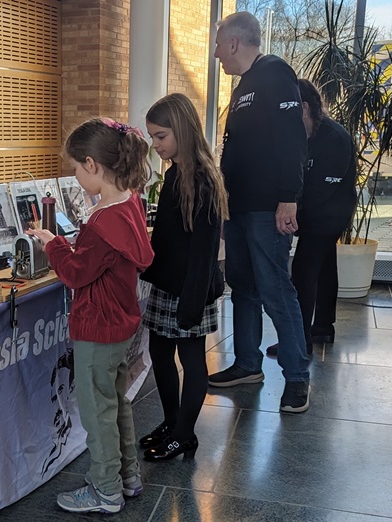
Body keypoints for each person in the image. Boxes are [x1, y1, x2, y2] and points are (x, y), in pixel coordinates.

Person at [27, 118, 154, 514]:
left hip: (97, 329)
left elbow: (76, 273)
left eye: (77, 170)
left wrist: (54, 244)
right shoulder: (130, 202)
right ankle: (126, 476)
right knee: (116, 400)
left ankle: (104, 490)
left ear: (93, 165)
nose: (76, 177)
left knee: (97, 411)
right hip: (121, 325)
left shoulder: (102, 222)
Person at [209, 11, 311, 413]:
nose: (217, 54)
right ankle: (248, 363)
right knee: (243, 287)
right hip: (238, 209)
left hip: (267, 210)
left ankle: (297, 376)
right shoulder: (244, 86)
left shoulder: (274, 73)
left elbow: (291, 139)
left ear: (234, 43)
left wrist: (289, 197)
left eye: (219, 45)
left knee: (275, 290)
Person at [136, 93, 228, 460]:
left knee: (192, 360)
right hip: (169, 284)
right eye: (152, 137)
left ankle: (185, 434)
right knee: (159, 352)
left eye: (161, 136)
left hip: (191, 289)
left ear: (182, 130)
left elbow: (205, 249)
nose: (155, 144)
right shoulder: (175, 172)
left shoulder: (203, 178)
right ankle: (172, 422)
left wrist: (192, 301)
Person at [266, 80, 357, 357]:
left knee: (304, 272)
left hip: (330, 215)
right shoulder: (303, 137)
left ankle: (299, 339)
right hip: (318, 213)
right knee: (326, 267)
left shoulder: (334, 137)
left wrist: (290, 210)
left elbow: (321, 188)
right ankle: (323, 328)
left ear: (304, 108)